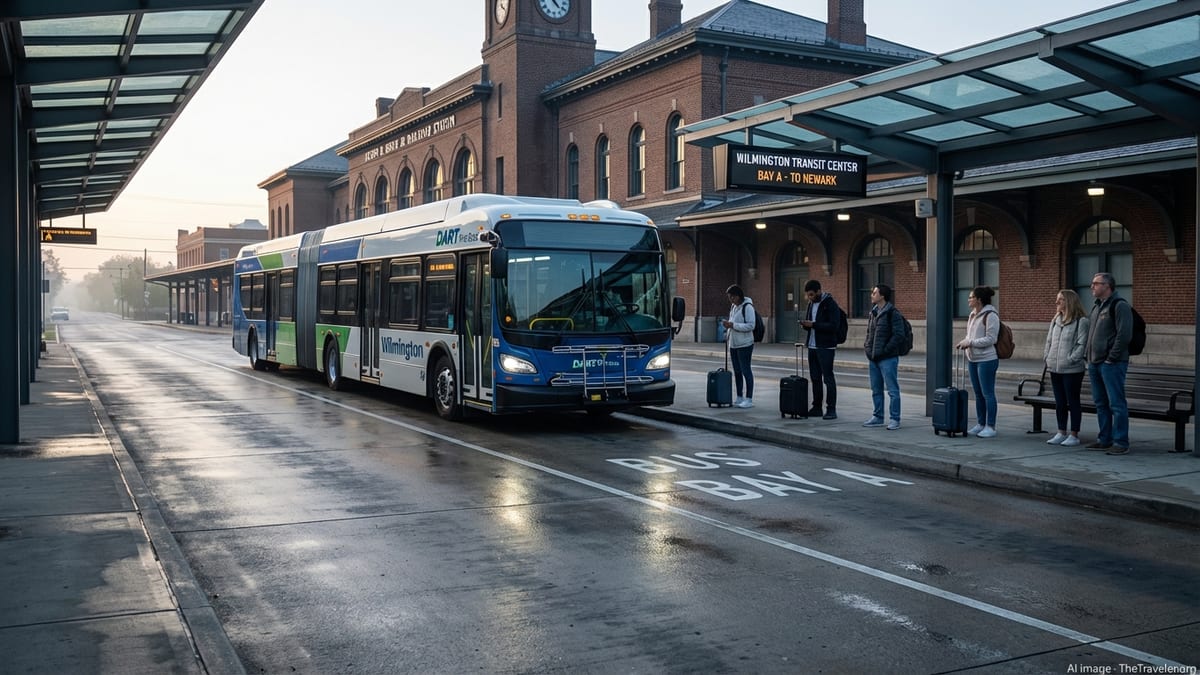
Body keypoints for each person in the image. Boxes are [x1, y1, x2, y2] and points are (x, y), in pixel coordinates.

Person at [1085, 272, 1133, 454]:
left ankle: (1121, 442)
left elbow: (1124, 335)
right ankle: (1104, 438)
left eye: (1096, 283)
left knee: (1116, 403)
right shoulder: (1097, 307)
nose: (1092, 287)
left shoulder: (1119, 306)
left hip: (1112, 364)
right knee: (1100, 403)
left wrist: (1111, 358)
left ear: (1107, 286)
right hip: (1094, 363)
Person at [1043, 289, 1090, 447]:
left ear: (1069, 302)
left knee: (1073, 401)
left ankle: (1074, 434)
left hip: (1072, 369)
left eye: (1061, 300)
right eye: (1057, 299)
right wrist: (1047, 357)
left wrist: (1071, 359)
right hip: (1054, 368)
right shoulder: (1056, 319)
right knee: (1060, 402)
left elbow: (1082, 344)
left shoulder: (1081, 321)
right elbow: (1049, 341)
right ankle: (1061, 431)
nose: (1057, 302)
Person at [956, 285, 1000, 438]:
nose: (968, 299)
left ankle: (990, 426)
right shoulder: (972, 315)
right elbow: (971, 335)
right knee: (978, 393)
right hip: (973, 359)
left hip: (987, 359)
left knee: (988, 393)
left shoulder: (991, 315)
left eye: (971, 297)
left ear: (979, 299)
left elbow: (991, 339)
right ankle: (981, 423)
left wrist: (971, 343)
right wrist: (965, 341)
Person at [862, 284, 905, 430]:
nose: (871, 295)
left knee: (892, 390)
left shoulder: (893, 313)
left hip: (888, 358)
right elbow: (869, 334)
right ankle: (878, 416)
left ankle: (895, 419)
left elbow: (899, 335)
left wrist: (885, 350)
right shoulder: (873, 312)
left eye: (874, 293)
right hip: (873, 358)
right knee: (876, 389)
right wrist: (867, 349)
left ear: (882, 296)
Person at [801, 280, 839, 420]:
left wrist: (814, 325)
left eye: (812, 294)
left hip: (826, 346)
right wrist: (805, 325)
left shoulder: (830, 304)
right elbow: (810, 323)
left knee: (828, 378)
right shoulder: (811, 304)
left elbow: (834, 325)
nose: (810, 297)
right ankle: (817, 407)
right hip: (812, 345)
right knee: (815, 378)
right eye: (808, 295)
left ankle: (831, 409)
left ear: (818, 291)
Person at [722, 284, 756, 409]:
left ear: (738, 296)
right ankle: (739, 396)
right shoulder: (733, 307)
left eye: (732, 297)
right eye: (729, 297)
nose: (730, 300)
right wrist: (728, 327)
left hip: (745, 344)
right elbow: (734, 322)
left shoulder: (747, 307)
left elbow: (751, 325)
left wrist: (732, 325)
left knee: (746, 370)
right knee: (737, 371)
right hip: (733, 344)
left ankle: (749, 398)